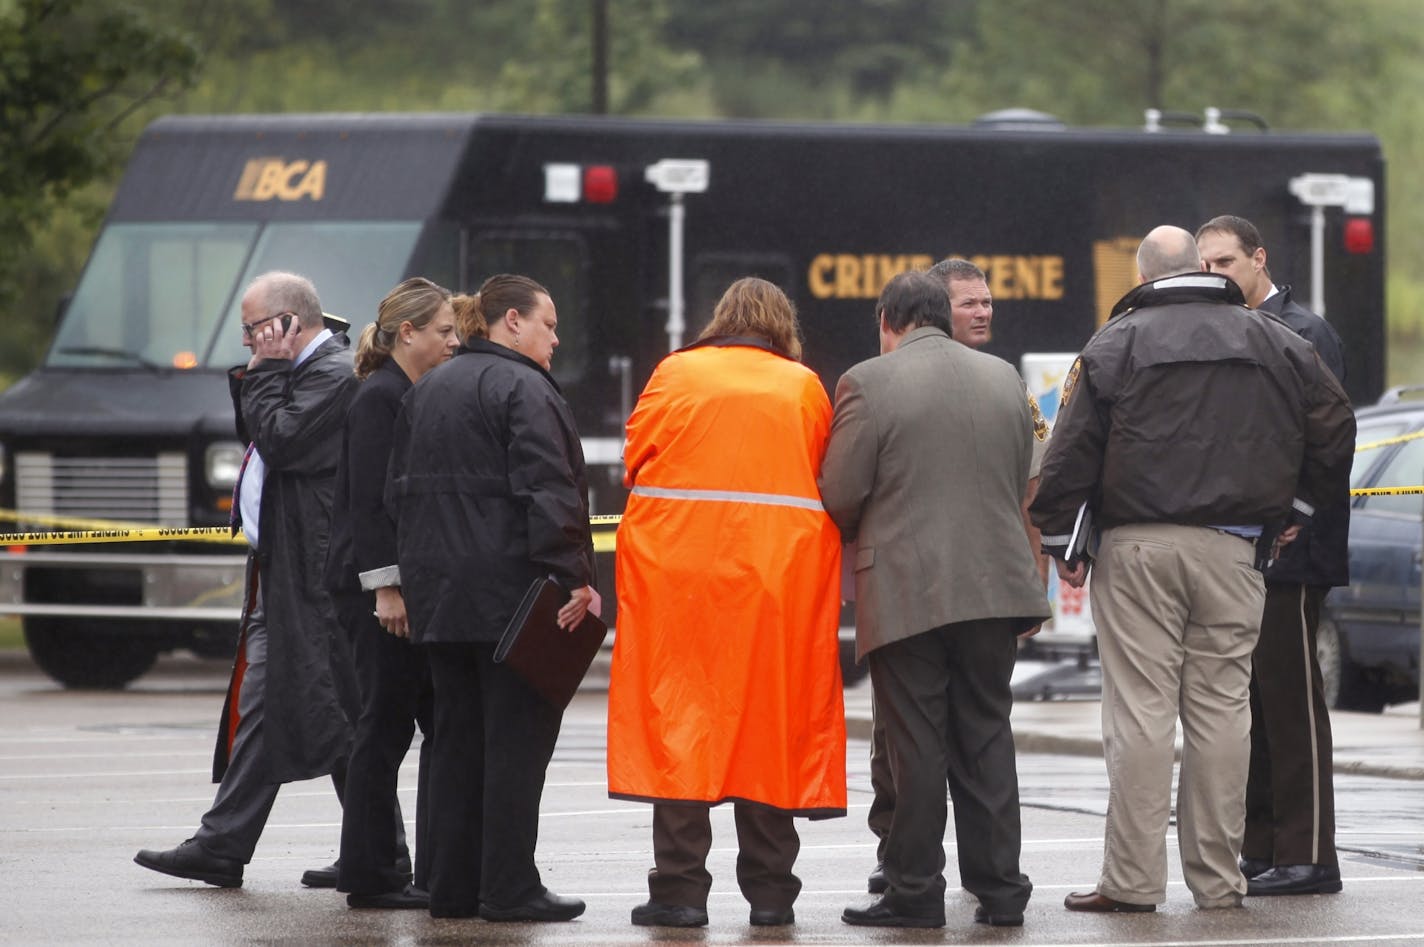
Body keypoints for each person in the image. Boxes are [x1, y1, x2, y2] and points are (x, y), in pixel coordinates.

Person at [1030, 226, 1354, 912]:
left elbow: (1068, 452)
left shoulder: (1115, 342)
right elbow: (1336, 421)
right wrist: (1296, 505)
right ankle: (1218, 880)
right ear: (1200, 270)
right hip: (1237, 551)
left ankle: (1132, 881)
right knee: (1222, 711)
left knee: (1142, 713)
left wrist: (1063, 541)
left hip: (1138, 548)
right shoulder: (1275, 340)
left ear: (1144, 273)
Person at [607, 277, 846, 930]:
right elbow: (830, 473)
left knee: (682, 732)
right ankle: (772, 895)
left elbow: (636, 460)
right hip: (776, 589)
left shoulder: (675, 373)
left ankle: (679, 893)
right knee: (769, 734)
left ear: (721, 318)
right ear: (780, 324)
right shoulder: (803, 386)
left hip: (681, 584)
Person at [821, 269, 1050, 929]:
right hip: (996, 584)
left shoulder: (868, 380)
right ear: (943, 317)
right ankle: (1002, 891)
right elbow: (1022, 478)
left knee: (915, 744)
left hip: (906, 589)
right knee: (985, 735)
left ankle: (915, 890)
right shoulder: (1003, 377)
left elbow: (840, 493)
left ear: (888, 319)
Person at [135, 271, 359, 888]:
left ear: (289, 321)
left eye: (252, 329)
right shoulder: (298, 372)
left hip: (310, 571)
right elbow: (259, 432)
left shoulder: (332, 375)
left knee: (307, 702)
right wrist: (265, 372)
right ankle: (375, 848)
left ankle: (226, 843)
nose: (247, 343)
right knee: (303, 703)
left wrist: (263, 371)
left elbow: (281, 441)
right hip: (284, 566)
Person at [385, 273, 597, 921]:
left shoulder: (428, 389)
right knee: (515, 745)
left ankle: (450, 888)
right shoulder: (524, 388)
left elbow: (397, 492)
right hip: (511, 599)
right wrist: (574, 575)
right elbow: (547, 488)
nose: (555, 338)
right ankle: (509, 887)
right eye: (547, 323)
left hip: (440, 600)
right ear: (511, 320)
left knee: (453, 743)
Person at [1196, 214, 1350, 897]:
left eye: (1227, 261)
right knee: (1253, 703)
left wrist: (1298, 516)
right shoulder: (1233, 328)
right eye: (1206, 265)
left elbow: (1329, 437)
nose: (1216, 275)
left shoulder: (1301, 332)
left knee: (1292, 704)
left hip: (1291, 549)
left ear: (1259, 258)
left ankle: (1311, 851)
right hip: (1247, 546)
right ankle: (1262, 844)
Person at [322, 277, 460, 909]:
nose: (454, 341)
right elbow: (370, 505)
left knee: (396, 726)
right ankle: (373, 876)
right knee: (380, 730)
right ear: (408, 334)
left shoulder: (401, 391)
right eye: (443, 331)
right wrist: (387, 589)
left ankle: (399, 868)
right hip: (374, 590)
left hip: (391, 587)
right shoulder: (380, 398)